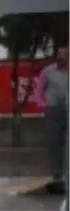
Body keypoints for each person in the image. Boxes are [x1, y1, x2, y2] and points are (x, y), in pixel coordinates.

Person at [34, 46, 69, 190]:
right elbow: (38, 90)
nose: (61, 58)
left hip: (68, 109)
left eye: (64, 55)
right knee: (54, 142)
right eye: (59, 55)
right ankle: (57, 174)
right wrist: (43, 104)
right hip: (53, 110)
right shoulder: (48, 71)